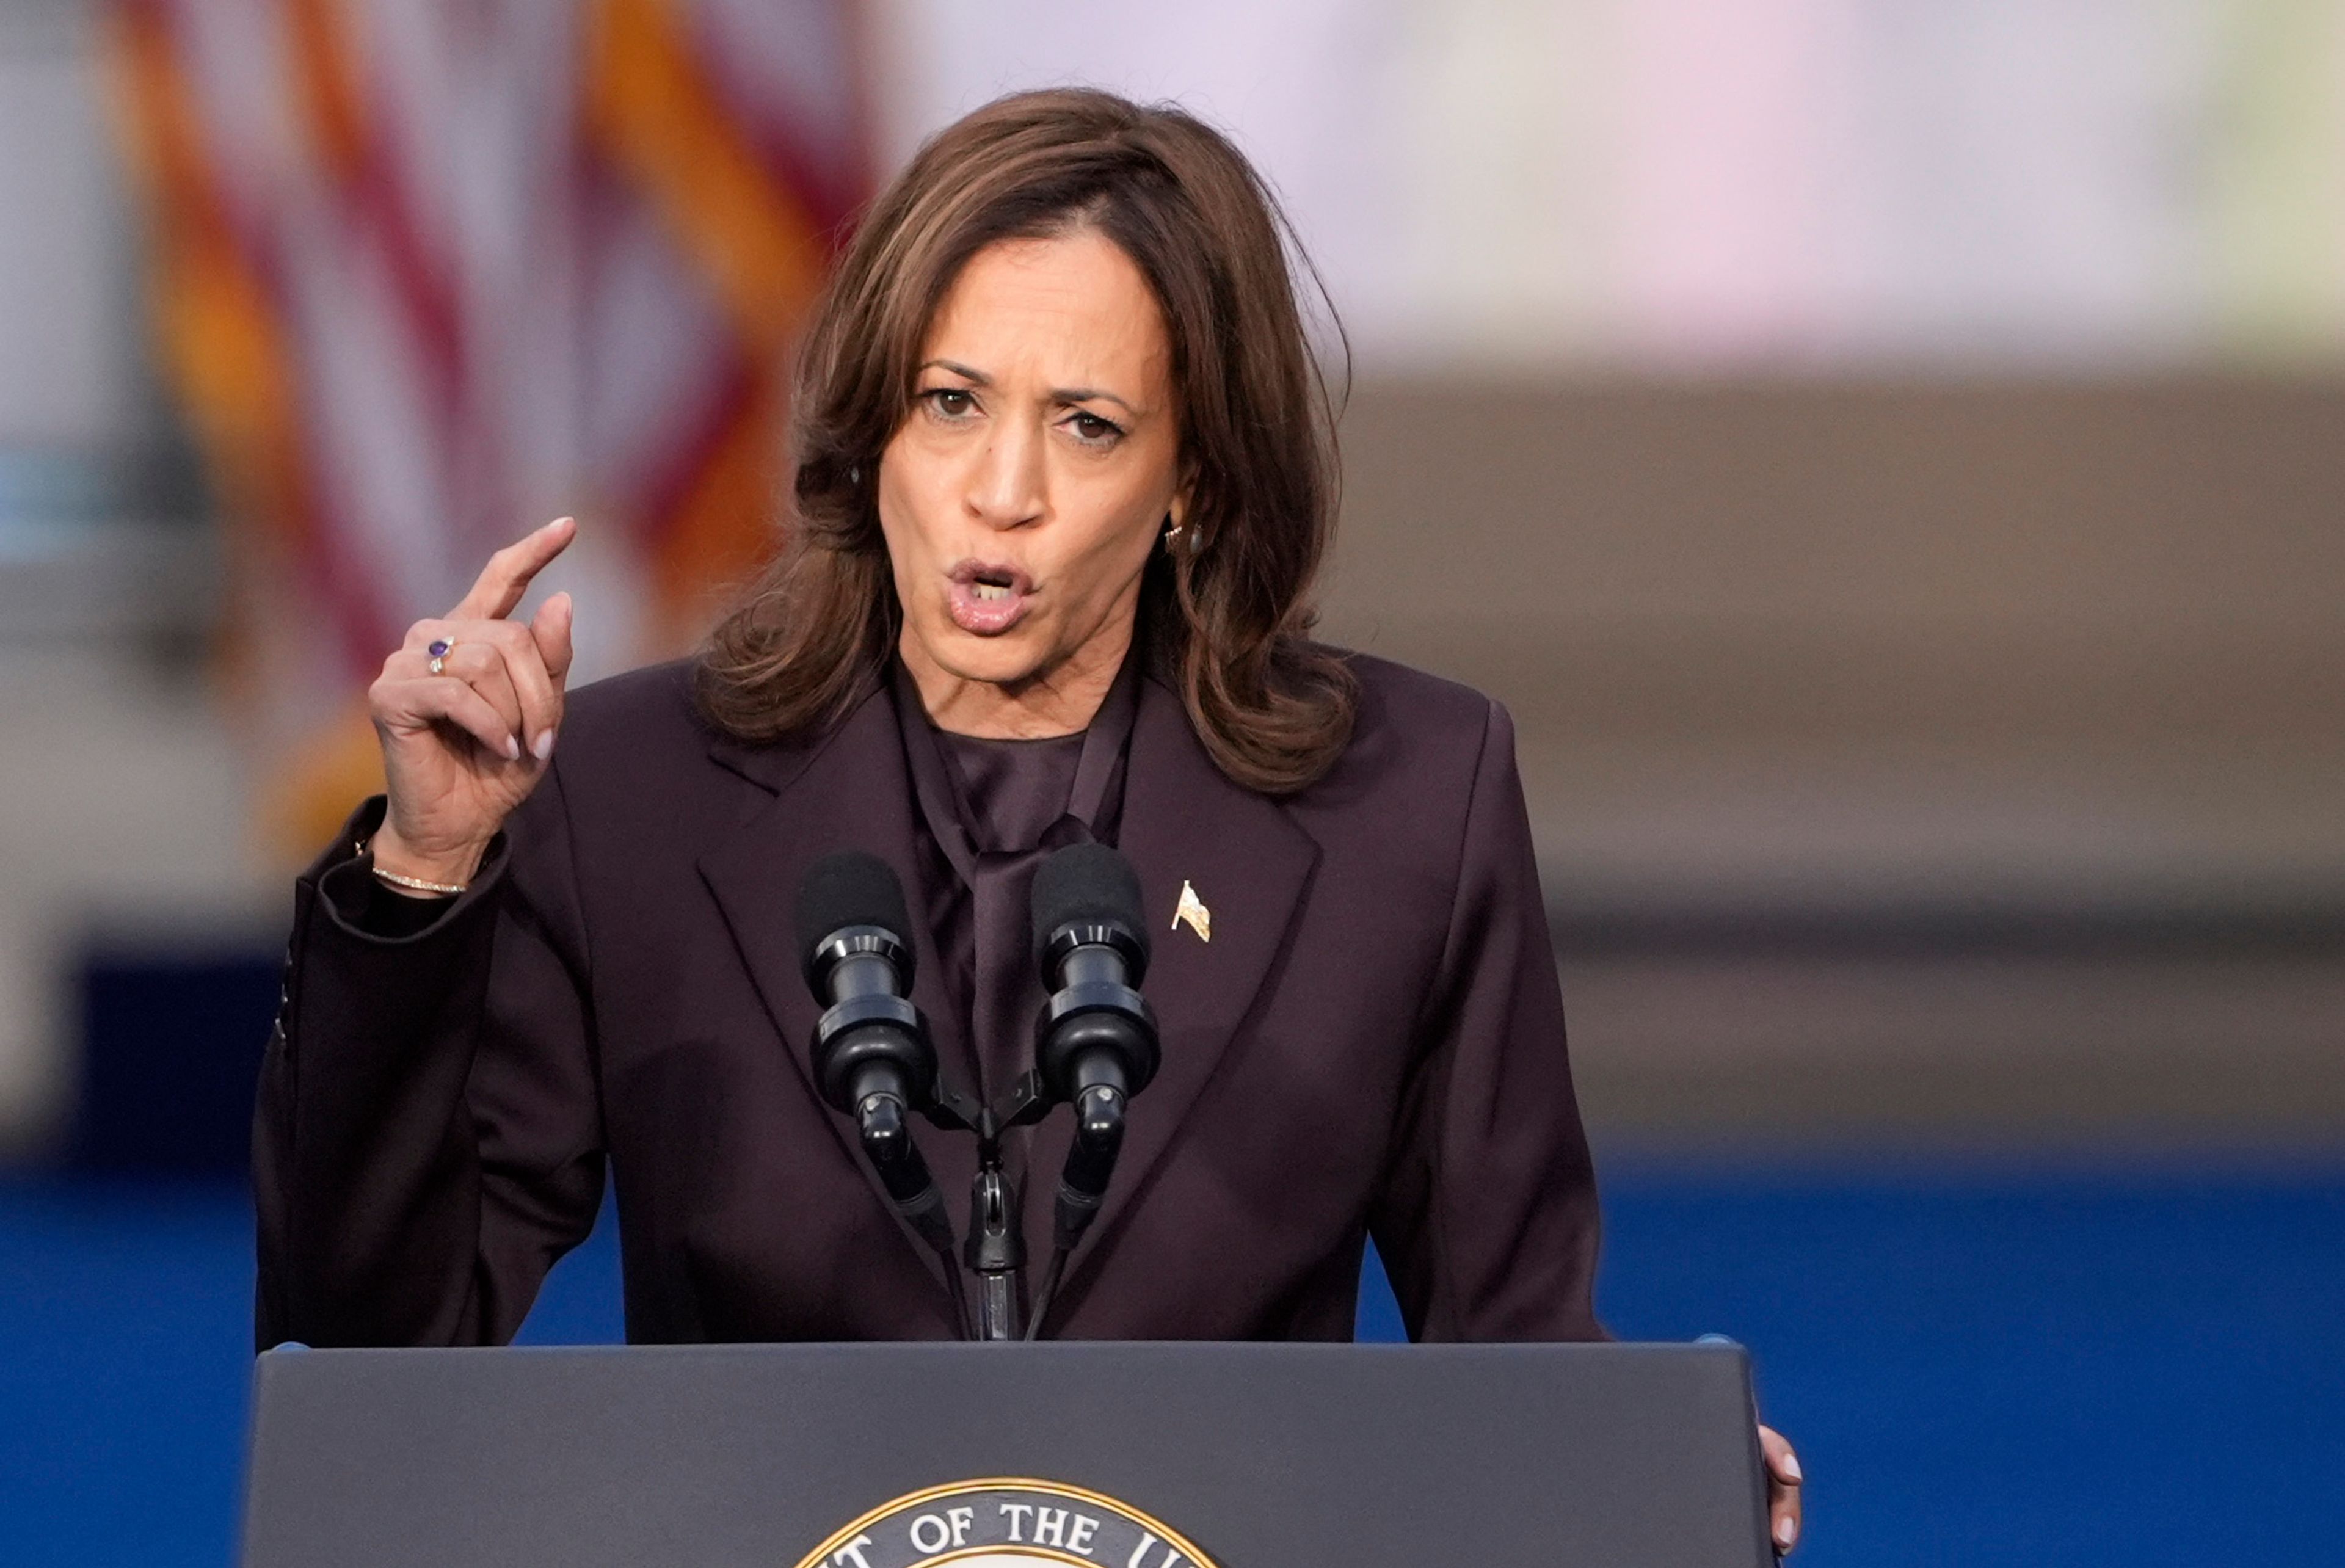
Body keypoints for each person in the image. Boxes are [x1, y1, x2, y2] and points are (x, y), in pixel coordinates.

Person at [252, 89, 1803, 1552]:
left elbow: (1517, 1345)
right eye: (952, 404)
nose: (1002, 492)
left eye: (1086, 425)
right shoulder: (636, 793)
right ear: (875, 438)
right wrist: (426, 866)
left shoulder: (1409, 799)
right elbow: (379, 1356)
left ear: (1196, 477)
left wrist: (1656, 1464)